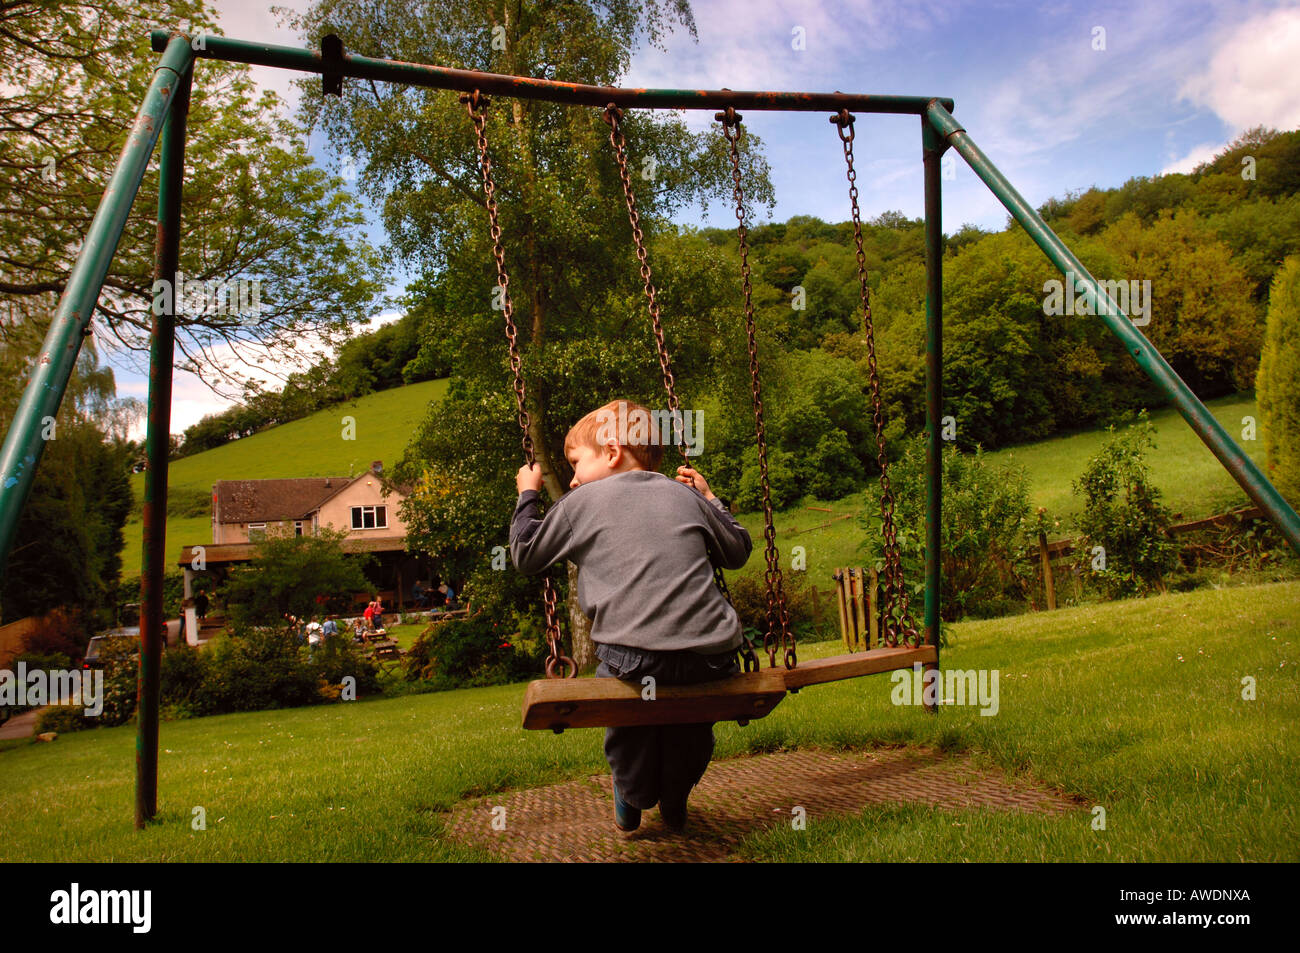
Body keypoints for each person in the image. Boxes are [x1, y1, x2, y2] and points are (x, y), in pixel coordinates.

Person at [509, 399, 751, 834]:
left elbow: (527, 555)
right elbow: (737, 551)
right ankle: (675, 797)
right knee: (691, 727)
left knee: (629, 721)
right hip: (712, 656)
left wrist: (528, 493)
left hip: (636, 659)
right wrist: (711, 498)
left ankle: (633, 794)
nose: (573, 477)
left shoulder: (579, 501)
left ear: (613, 451)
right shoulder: (686, 495)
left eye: (577, 463)